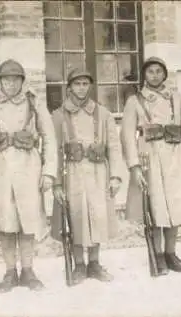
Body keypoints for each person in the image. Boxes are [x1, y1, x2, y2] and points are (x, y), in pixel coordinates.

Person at [0, 59, 57, 292]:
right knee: (5, 222)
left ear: (22, 81)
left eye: (15, 79)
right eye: (6, 80)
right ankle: (10, 271)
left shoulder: (35, 104)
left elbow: (49, 138)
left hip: (29, 168)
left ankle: (28, 270)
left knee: (28, 221)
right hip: (0, 171)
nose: (10, 84)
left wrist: (49, 172)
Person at [121, 56, 181, 275]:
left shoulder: (177, 98)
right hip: (150, 158)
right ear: (144, 75)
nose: (155, 75)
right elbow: (127, 137)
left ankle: (171, 253)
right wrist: (135, 167)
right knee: (154, 208)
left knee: (174, 206)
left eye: (158, 71)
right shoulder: (135, 101)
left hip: (175, 157)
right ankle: (157, 255)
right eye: (150, 71)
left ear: (165, 74)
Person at [51, 69, 122, 284]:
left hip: (98, 172)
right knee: (76, 217)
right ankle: (79, 265)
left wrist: (116, 176)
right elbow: (53, 151)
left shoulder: (103, 114)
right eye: (77, 84)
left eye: (85, 83)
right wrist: (56, 183)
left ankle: (94, 263)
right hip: (72, 173)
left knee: (97, 217)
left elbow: (114, 146)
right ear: (69, 87)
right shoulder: (58, 115)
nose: (81, 88)